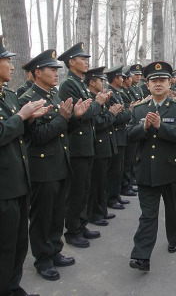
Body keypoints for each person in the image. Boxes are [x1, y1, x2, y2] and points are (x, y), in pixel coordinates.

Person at [19, 50, 82, 281]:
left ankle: (54, 250)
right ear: (38, 72)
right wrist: (63, 119)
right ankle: (42, 259)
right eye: (52, 70)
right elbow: (37, 137)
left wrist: (75, 117)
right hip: (43, 168)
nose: (57, 74)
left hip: (60, 164)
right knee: (42, 216)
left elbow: (62, 128)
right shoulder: (28, 99)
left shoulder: (54, 95)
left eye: (57, 70)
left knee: (57, 214)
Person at [128, 61, 176, 272]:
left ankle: (174, 237)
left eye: (162, 80)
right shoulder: (138, 109)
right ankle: (141, 256)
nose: (158, 84)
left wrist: (160, 126)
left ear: (169, 83)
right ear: (147, 85)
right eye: (153, 81)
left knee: (173, 211)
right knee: (148, 215)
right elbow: (129, 135)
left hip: (171, 170)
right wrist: (143, 127)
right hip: (146, 170)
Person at [0, 35, 46, 296]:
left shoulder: (6, 95)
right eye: (7, 61)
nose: (12, 67)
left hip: (18, 183)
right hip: (3, 188)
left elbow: (18, 135)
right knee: (4, 247)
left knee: (18, 244)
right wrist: (21, 116)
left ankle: (12, 287)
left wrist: (28, 120)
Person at [58, 42, 109, 248]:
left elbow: (89, 112)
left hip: (86, 144)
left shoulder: (79, 84)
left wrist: (95, 105)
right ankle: (72, 231)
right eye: (83, 59)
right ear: (71, 62)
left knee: (85, 188)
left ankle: (81, 224)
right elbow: (80, 114)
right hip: (77, 146)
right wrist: (98, 103)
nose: (87, 62)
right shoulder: (69, 85)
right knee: (76, 191)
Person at [85, 67, 120, 226]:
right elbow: (98, 123)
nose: (103, 83)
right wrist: (111, 114)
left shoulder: (100, 98)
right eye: (100, 80)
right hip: (98, 146)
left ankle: (102, 210)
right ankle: (95, 213)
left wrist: (110, 114)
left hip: (105, 144)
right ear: (92, 82)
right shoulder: (93, 101)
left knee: (102, 182)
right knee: (96, 183)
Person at [104, 65, 135, 211]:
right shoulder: (111, 94)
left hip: (122, 134)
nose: (123, 79)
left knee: (121, 166)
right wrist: (129, 112)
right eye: (121, 77)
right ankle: (112, 197)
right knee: (115, 170)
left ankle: (116, 195)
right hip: (116, 134)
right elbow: (117, 117)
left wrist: (125, 113)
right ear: (116, 79)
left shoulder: (118, 93)